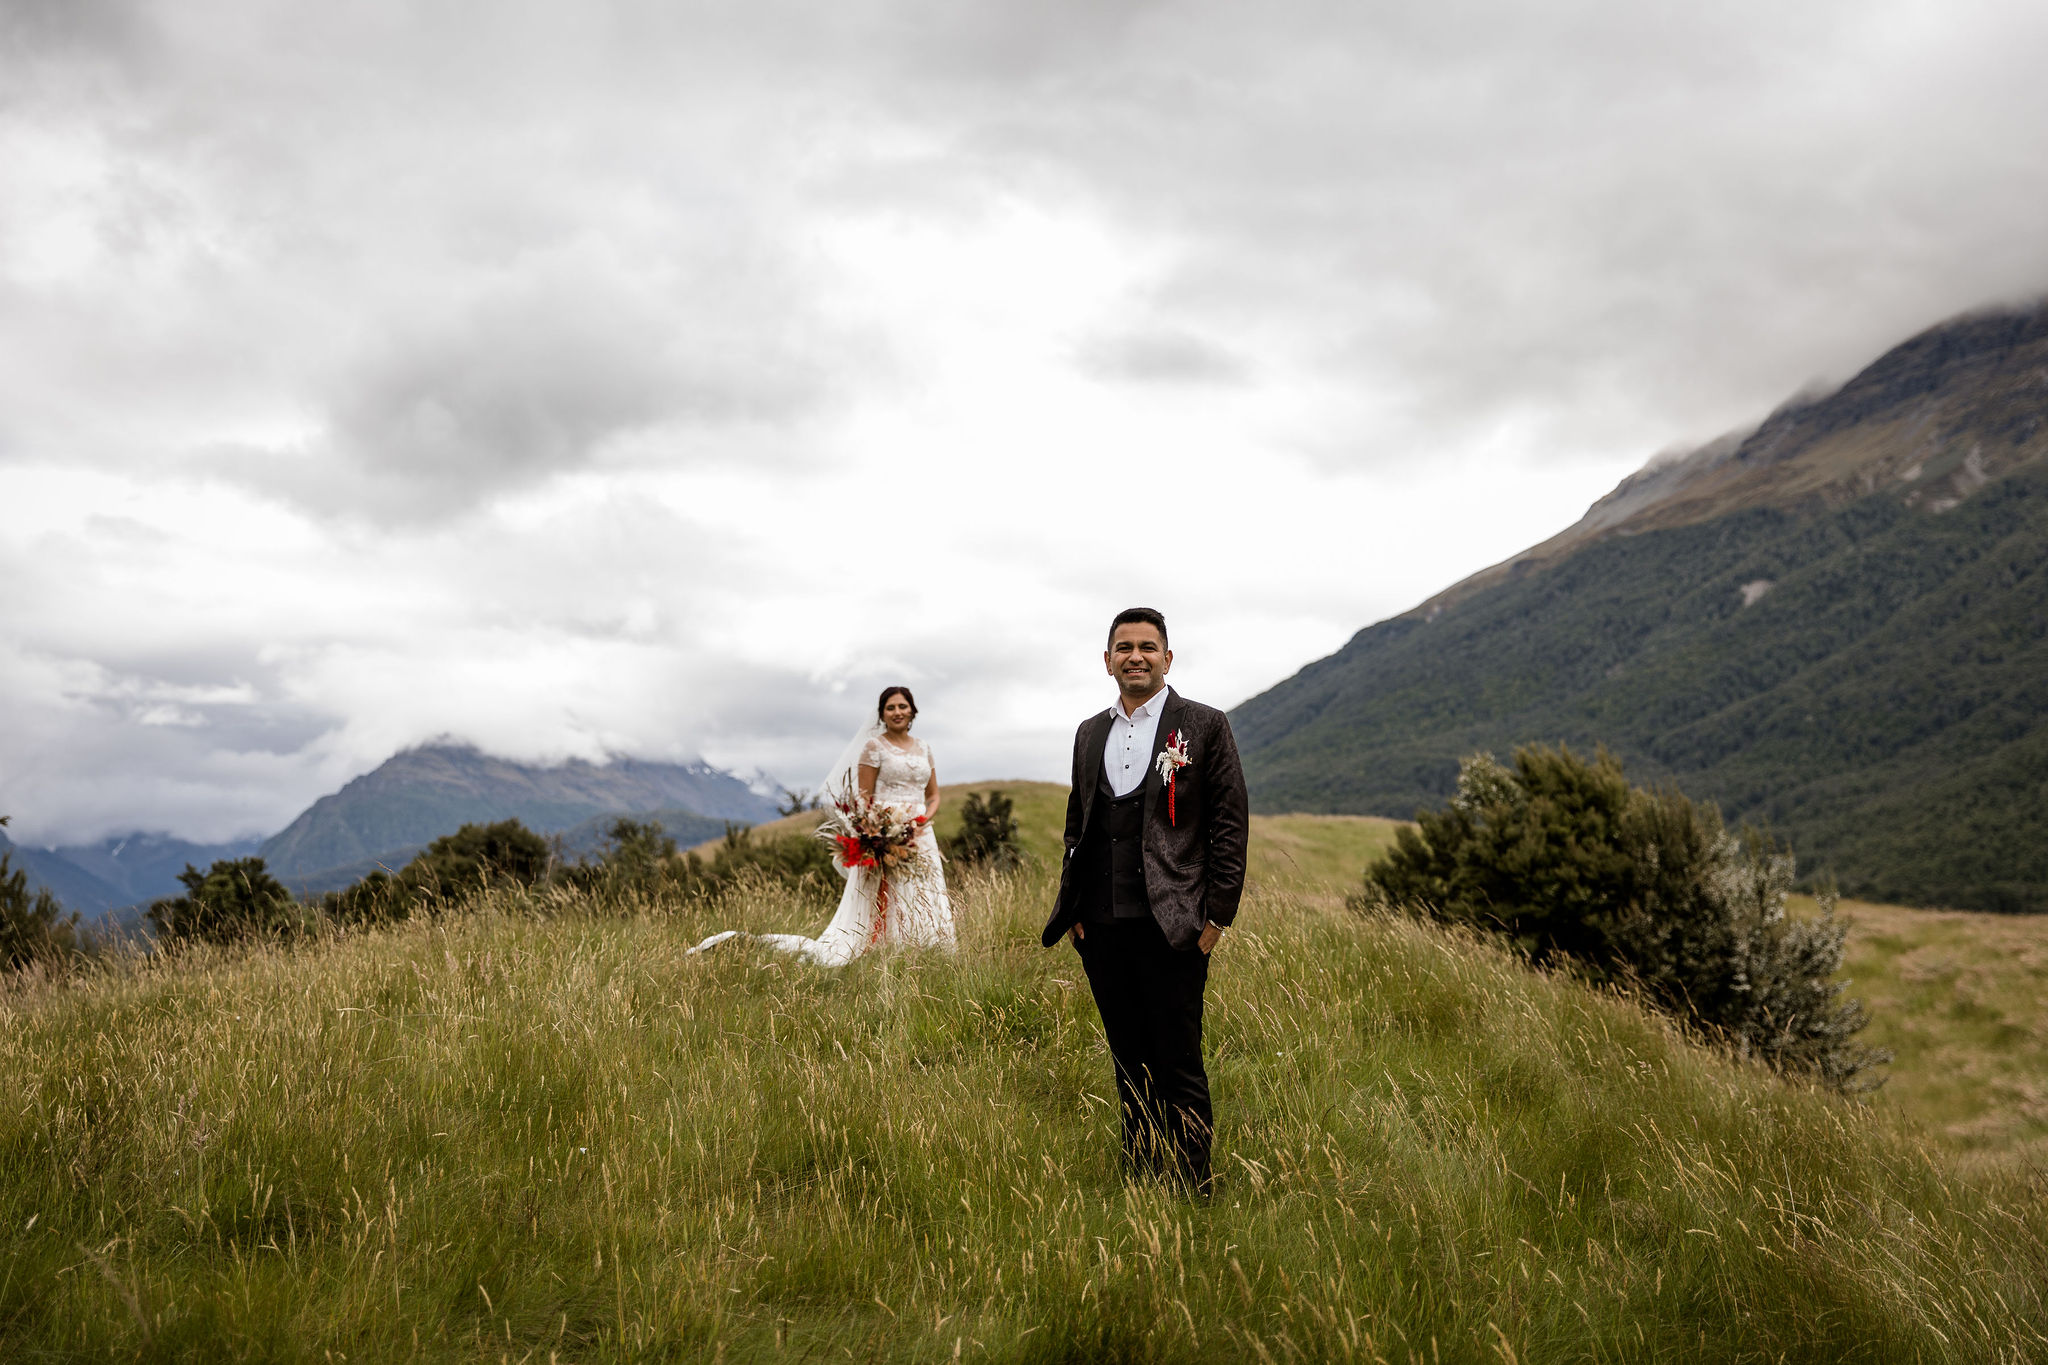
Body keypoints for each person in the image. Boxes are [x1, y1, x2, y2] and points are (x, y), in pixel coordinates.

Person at [1042, 607, 1248, 1195]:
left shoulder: (1205, 725)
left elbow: (1229, 827)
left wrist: (1217, 917)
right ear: (1107, 660)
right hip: (1101, 926)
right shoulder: (1089, 732)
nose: (1136, 656)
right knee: (1127, 1059)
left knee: (1177, 1059)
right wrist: (1075, 910)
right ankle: (1138, 1175)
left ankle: (1191, 1184)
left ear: (1168, 658)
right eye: (1124, 647)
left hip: (1176, 923)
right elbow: (1078, 822)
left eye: (1148, 647)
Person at [690, 686, 956, 964]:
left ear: (912, 710)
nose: (897, 712)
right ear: (882, 714)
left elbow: (933, 795)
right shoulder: (874, 747)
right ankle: (883, 949)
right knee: (889, 891)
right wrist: (884, 830)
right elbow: (864, 798)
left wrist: (921, 822)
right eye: (890, 708)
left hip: (921, 833)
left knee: (924, 889)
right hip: (886, 832)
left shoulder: (924, 748)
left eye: (902, 706)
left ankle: (925, 950)